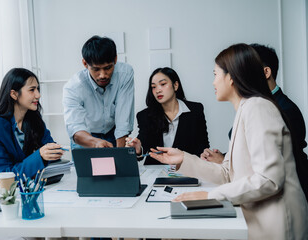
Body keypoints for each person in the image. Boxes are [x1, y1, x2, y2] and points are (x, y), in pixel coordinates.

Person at [150, 44, 308, 239]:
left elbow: (269, 179)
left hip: (277, 224)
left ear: (231, 77)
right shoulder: (245, 109)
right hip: (258, 219)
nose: (213, 82)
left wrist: (209, 196)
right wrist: (183, 159)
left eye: (216, 74)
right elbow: (227, 174)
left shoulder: (258, 108)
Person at [200, 43, 308, 201]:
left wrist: (224, 162)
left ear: (265, 72)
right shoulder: (252, 104)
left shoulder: (276, 109)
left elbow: (271, 170)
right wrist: (223, 157)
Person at [0, 68, 63, 200]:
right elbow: (5, 175)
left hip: (15, 194)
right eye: (32, 90)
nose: (38, 95)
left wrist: (53, 151)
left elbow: (49, 148)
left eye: (38, 89)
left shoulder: (35, 121)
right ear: (14, 94)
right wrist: (40, 155)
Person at [125, 67, 209, 165]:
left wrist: (205, 156)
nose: (158, 90)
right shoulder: (145, 115)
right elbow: (144, 142)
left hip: (186, 169)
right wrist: (138, 149)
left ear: (175, 85)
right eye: (153, 87)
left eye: (163, 84)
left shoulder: (195, 110)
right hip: (157, 171)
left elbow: (203, 145)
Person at [63, 36, 134, 149]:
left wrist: (120, 155)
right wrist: (95, 142)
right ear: (85, 63)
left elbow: (123, 120)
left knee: (119, 165)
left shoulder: (125, 74)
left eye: (108, 68)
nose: (103, 75)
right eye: (96, 69)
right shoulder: (73, 87)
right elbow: (75, 128)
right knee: (84, 167)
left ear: (115, 60)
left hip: (113, 133)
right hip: (86, 136)